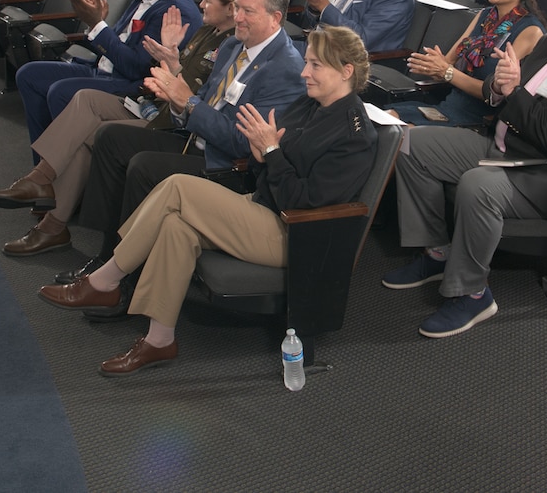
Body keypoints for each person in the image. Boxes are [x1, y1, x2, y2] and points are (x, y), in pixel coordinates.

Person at [37, 24, 378, 377]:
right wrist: (265, 155)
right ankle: (159, 339)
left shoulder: (353, 135)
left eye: (315, 65)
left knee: (178, 187)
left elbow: (305, 201)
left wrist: (272, 153)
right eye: (306, 62)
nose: (304, 72)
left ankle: (105, 280)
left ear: (346, 71)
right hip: (264, 206)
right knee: (175, 226)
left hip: (296, 235)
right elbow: (270, 164)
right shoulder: (309, 105)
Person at [382, 0, 547, 338]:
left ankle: (472, 293)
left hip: (546, 175)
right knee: (409, 142)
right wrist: (498, 86)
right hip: (501, 144)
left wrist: (514, 92)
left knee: (478, 185)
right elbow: (501, 92)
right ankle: (438, 251)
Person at [0, 0, 242, 254]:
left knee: (95, 133)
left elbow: (197, 95)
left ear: (231, 8)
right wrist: (171, 55)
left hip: (171, 121)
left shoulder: (231, 45)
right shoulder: (208, 31)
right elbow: (180, 77)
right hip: (153, 103)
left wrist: (171, 65)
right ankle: (41, 180)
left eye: (209, 1)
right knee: (86, 99)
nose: (201, 5)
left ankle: (52, 221)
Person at [15, 0, 203, 145]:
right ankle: (44, 161)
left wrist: (97, 25)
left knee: (60, 92)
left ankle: (59, 167)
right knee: (29, 75)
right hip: (106, 68)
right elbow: (120, 41)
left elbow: (136, 67)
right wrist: (97, 19)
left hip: (129, 84)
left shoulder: (176, 12)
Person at [393, 0, 546, 126]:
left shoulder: (531, 31)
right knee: (387, 118)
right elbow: (449, 63)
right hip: (448, 106)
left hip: (479, 120)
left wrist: (446, 72)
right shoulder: (484, 15)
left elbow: (493, 92)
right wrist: (433, 66)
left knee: (397, 135)